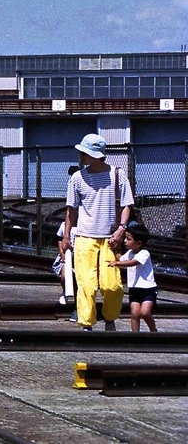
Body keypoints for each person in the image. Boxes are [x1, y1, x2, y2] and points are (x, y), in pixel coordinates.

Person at [62, 133, 134, 331]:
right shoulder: (77, 178)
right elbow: (72, 210)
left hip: (110, 238)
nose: (81, 156)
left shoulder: (118, 175)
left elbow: (127, 205)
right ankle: (87, 324)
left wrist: (122, 228)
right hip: (84, 237)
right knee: (86, 284)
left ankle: (110, 318)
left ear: (96, 155)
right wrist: (66, 236)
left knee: (112, 285)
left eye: (84, 153)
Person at [108, 223, 158, 332]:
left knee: (145, 313)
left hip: (148, 290)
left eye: (128, 239)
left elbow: (133, 263)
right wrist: (115, 249)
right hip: (135, 289)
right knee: (135, 313)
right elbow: (122, 259)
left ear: (139, 243)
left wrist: (116, 263)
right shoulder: (130, 252)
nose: (125, 241)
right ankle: (135, 336)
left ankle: (154, 331)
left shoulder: (144, 253)